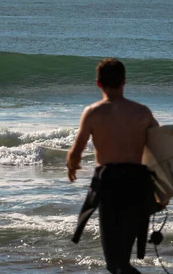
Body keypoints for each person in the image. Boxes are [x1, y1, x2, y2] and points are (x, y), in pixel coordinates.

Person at [67, 58, 159, 274]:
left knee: (115, 263)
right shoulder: (142, 112)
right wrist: (163, 191)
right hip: (138, 183)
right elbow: (161, 149)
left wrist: (71, 166)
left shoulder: (93, 112)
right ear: (124, 82)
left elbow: (76, 151)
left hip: (110, 185)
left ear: (98, 83)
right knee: (122, 259)